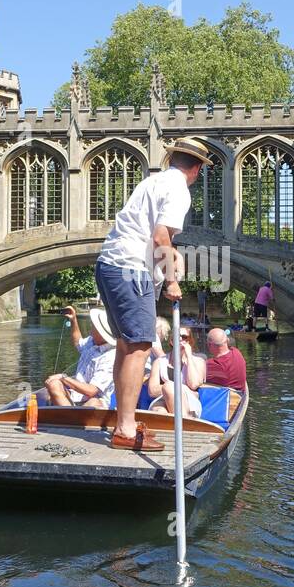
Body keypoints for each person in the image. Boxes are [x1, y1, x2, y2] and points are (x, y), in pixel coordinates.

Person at [94, 137, 215, 451]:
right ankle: (125, 429)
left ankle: (126, 421)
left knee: (127, 345)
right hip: (132, 269)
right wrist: (173, 281)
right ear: (197, 169)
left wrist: (172, 253)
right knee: (140, 347)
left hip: (110, 264)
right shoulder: (179, 190)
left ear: (173, 159)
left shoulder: (153, 182)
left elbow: (154, 234)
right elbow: (160, 234)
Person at [37, 307, 116, 408]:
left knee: (92, 403)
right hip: (75, 397)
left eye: (94, 326)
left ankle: (71, 418)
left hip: (96, 401)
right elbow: (78, 342)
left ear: (101, 333)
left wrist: (63, 378)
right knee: (53, 384)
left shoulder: (110, 357)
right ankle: (71, 415)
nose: (91, 326)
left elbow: (91, 391)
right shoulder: (92, 341)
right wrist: (73, 320)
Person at [147, 322, 206, 419]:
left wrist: (189, 357)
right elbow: (152, 391)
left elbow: (194, 384)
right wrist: (183, 389)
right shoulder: (159, 362)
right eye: (176, 336)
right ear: (171, 341)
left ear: (190, 341)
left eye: (184, 337)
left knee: (169, 386)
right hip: (162, 400)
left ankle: (184, 424)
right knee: (159, 411)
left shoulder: (199, 361)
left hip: (188, 402)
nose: (180, 339)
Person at [203, 328, 248, 392]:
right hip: (240, 396)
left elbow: (195, 380)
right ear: (227, 341)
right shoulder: (236, 352)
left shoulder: (215, 365)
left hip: (228, 399)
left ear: (209, 345)